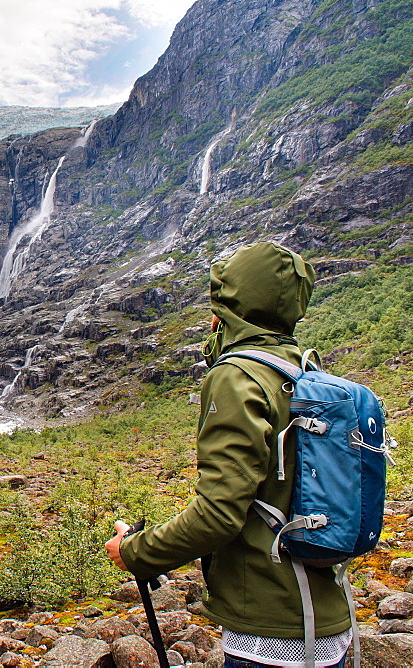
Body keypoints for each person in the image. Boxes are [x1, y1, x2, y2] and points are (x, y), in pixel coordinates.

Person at [104, 242, 352, 668]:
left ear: (232, 306)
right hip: (330, 621)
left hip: (269, 635)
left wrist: (135, 552)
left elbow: (219, 514)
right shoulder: (308, 374)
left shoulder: (238, 376)